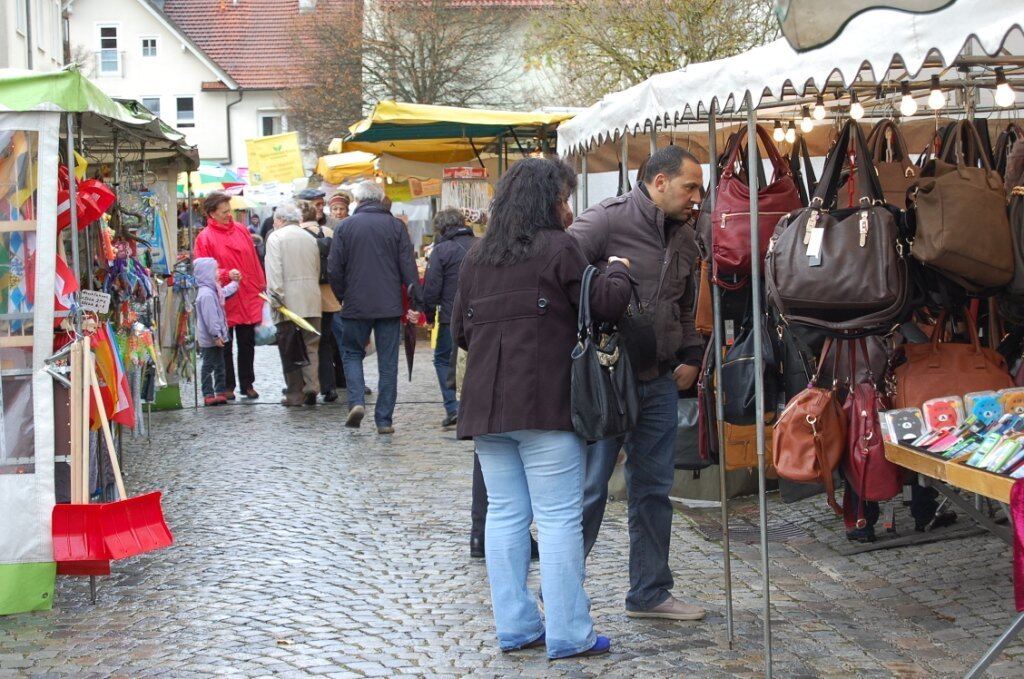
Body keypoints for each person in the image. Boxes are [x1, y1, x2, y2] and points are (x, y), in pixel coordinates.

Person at [453, 158, 632, 659]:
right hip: (546, 403)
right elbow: (604, 305)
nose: (570, 208)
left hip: (488, 406)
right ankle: (569, 632)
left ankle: (515, 626)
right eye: (565, 198)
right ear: (548, 200)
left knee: (505, 515)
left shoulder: (477, 256)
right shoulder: (560, 248)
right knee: (557, 520)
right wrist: (618, 273)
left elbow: (461, 334)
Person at [569, 144, 706, 621]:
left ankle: (649, 593)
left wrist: (691, 351)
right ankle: (565, 596)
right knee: (590, 490)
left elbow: (684, 305)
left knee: (653, 490)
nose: (696, 196)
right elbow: (563, 278)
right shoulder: (604, 221)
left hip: (659, 380)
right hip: (607, 378)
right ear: (659, 181)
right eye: (689, 186)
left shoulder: (687, 237)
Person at [327, 180, 421, 434]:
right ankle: (384, 420)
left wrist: (343, 296)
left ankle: (357, 402)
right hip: (389, 304)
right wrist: (415, 302)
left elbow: (334, 268)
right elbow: (408, 268)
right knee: (388, 362)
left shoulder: (344, 227)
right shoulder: (395, 227)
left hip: (356, 303)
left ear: (357, 201)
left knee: (352, 353)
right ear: (380, 199)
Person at [194, 191, 266, 400]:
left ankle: (247, 383)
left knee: (247, 343)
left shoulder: (241, 230)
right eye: (224, 211)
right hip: (222, 296)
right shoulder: (205, 238)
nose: (228, 215)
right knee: (224, 344)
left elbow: (253, 261)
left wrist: (261, 285)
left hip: (247, 293)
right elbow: (202, 270)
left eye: (229, 210)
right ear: (212, 214)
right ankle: (226, 385)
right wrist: (226, 274)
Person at [264, 202, 323, 407]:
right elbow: (316, 269)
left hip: (288, 302)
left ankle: (295, 393)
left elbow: (274, 272)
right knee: (311, 346)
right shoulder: (309, 238)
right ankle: (312, 387)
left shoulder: (275, 238)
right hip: (312, 298)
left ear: (279, 220)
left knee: (290, 348)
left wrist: (276, 299)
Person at [422, 208, 475, 428]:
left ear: (441, 228)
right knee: (476, 359)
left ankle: (453, 407)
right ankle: (474, 406)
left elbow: (432, 287)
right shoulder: (481, 244)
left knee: (443, 359)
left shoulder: (441, 250)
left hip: (451, 316)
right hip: (483, 313)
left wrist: (429, 315)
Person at [299, 200, 344, 402]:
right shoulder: (328, 232)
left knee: (306, 342)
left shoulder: (296, 236)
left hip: (306, 295)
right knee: (324, 341)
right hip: (328, 296)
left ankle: (309, 386)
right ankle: (329, 386)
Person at [194, 257, 238, 406]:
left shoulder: (213, 289)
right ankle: (208, 393)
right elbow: (210, 318)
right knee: (208, 365)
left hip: (217, 336)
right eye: (215, 270)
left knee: (220, 364)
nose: (218, 273)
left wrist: (235, 284)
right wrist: (216, 335)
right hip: (210, 338)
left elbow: (224, 292)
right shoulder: (206, 294)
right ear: (207, 273)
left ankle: (220, 391)